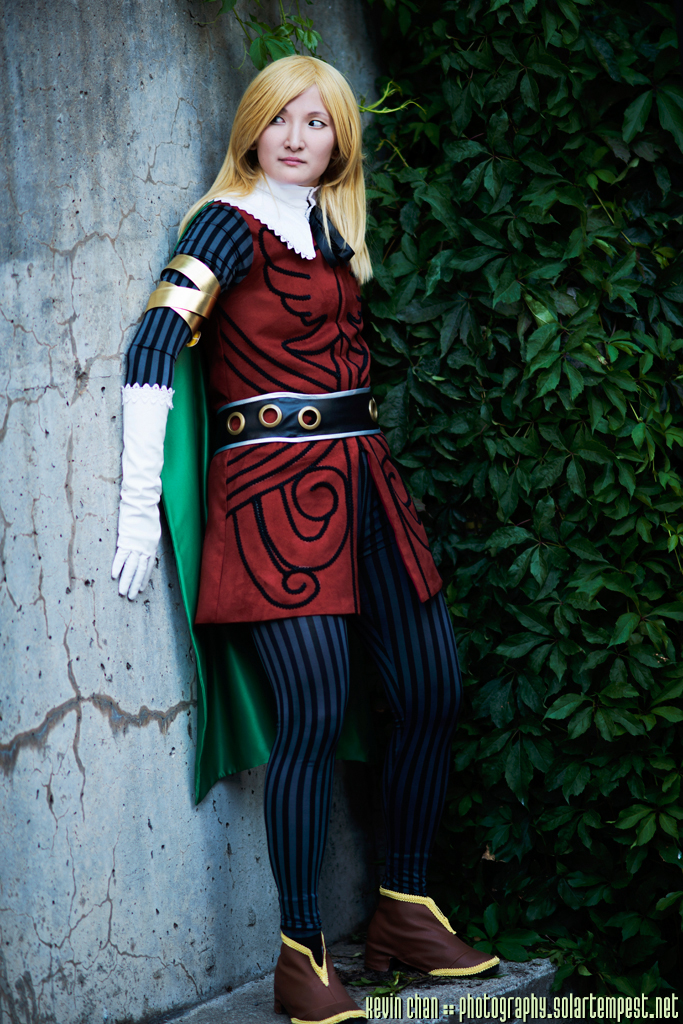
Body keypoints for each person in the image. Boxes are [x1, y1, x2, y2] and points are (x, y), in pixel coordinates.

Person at [112, 54, 499, 1024]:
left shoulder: (328, 226)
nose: (296, 137)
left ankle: (403, 910)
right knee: (314, 717)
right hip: (272, 497)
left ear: (339, 141)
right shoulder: (225, 222)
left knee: (433, 685)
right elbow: (152, 346)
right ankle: (301, 954)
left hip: (365, 481)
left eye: (317, 122)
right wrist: (136, 506)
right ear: (252, 126)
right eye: (280, 117)